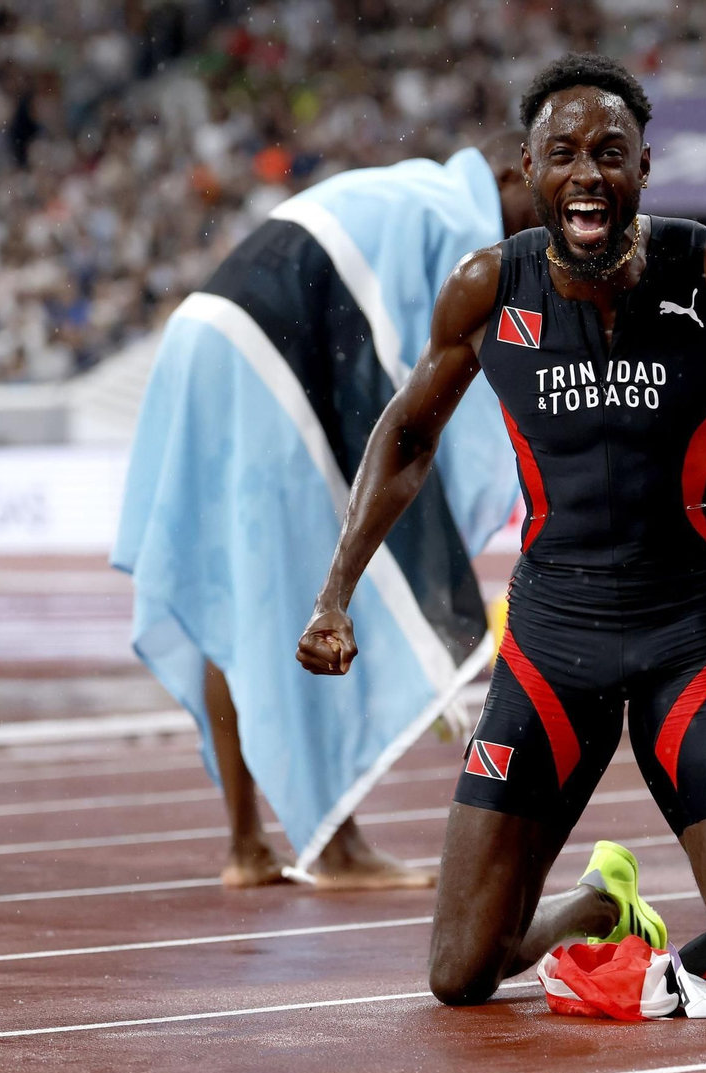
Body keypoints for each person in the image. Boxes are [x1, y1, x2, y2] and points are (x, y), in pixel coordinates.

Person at [296, 53, 706, 1005]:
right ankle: (601, 907)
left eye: (610, 153)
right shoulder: (486, 290)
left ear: (643, 169)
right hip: (553, 643)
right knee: (460, 972)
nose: (587, 173)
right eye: (564, 154)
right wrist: (334, 593)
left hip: (693, 639)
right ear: (529, 171)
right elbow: (407, 432)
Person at [112, 134, 537, 890]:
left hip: (204, 330)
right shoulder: (465, 221)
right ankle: (335, 844)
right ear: (508, 173)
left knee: (236, 592)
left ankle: (247, 844)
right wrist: (435, 612)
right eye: (544, 182)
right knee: (310, 585)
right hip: (272, 356)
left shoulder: (405, 188)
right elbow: (440, 410)